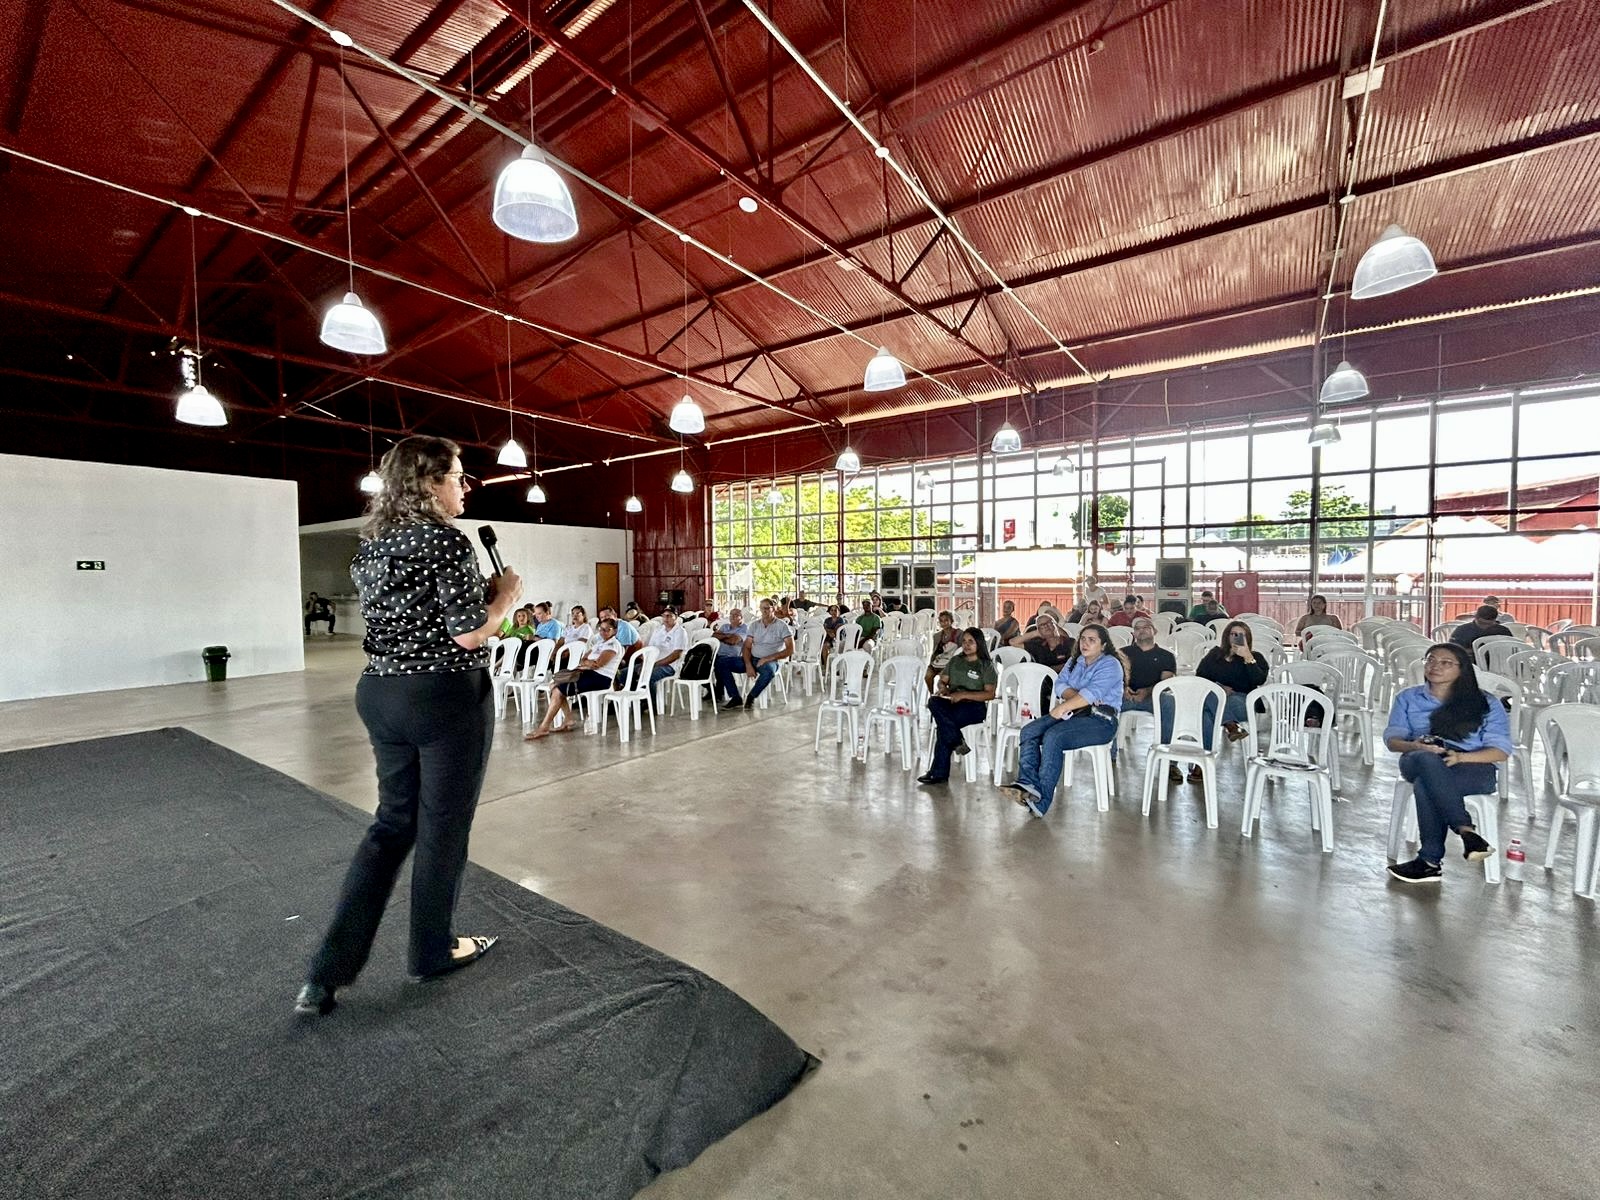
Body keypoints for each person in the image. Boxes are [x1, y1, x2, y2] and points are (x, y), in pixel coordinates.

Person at [295, 437, 521, 1018]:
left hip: (381, 692)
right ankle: (432, 950)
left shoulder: (371, 546)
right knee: (443, 828)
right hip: (444, 696)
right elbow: (468, 633)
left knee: (392, 826)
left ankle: (326, 974)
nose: (464, 487)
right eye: (458, 476)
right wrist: (505, 600)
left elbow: (410, 618)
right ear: (429, 482)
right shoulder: (446, 540)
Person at [1383, 642, 1511, 883]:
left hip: (1472, 764)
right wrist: (1415, 746)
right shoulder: (1408, 698)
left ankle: (1429, 863)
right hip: (1417, 757)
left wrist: (1461, 757)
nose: (1435, 666)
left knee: (1425, 784)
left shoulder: (1485, 703)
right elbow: (1393, 740)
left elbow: (1500, 751)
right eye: (1430, 660)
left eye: (1445, 663)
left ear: (1462, 669)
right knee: (1427, 761)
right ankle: (1465, 829)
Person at [1006, 624, 1125, 819]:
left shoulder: (1110, 664)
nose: (1085, 643)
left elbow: (1092, 694)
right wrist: (1079, 698)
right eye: (1083, 639)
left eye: (1092, 640)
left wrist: (1069, 704)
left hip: (1101, 721)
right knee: (1029, 731)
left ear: (1103, 645)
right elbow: (1060, 685)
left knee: (1054, 736)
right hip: (1074, 713)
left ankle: (1041, 801)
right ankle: (1028, 784)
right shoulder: (1075, 661)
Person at [919, 628, 998, 786]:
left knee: (944, 726)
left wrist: (963, 695)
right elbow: (942, 680)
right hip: (952, 701)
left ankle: (939, 773)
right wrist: (943, 688)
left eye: (971, 642)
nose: (966, 645)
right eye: (964, 641)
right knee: (934, 701)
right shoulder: (956, 660)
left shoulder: (986, 665)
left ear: (979, 644)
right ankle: (956, 740)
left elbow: (990, 694)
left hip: (974, 707)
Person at [527, 616, 624, 738]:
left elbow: (598, 664)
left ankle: (544, 727)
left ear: (614, 631)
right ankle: (568, 719)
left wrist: (589, 663)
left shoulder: (613, 645)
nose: (603, 632)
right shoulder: (600, 643)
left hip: (601, 678)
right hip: (588, 673)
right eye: (601, 629)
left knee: (558, 690)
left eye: (607, 630)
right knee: (554, 685)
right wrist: (588, 662)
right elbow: (583, 659)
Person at [1120, 616, 1182, 780]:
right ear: (1133, 634)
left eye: (1146, 627)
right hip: (1125, 696)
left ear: (1154, 631)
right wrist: (1123, 688)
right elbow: (1114, 676)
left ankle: (1169, 761)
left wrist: (1147, 692)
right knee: (1106, 702)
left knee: (1169, 703)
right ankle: (1108, 754)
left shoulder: (1166, 655)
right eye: (1137, 628)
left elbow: (1166, 682)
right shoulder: (1123, 653)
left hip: (1153, 697)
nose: (1141, 630)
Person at [1195, 620, 1270, 743]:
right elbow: (1200, 678)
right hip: (1216, 697)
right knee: (1207, 708)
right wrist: (1220, 688)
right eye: (1233, 634)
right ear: (1227, 636)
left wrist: (1247, 657)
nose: (1236, 638)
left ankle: (1206, 750)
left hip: (1243, 700)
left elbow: (1259, 680)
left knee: (1209, 709)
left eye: (1241, 635)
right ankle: (1231, 725)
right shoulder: (1215, 654)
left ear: (1247, 638)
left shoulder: (1255, 657)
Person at [721, 598, 793, 709]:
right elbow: (747, 647)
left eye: (767, 608)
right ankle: (735, 698)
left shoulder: (782, 626)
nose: (764, 611)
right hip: (753, 658)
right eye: (762, 608)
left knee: (769, 671)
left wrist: (767, 658)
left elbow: (790, 650)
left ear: (773, 609)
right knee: (722, 663)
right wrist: (748, 664)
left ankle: (751, 697)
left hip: (771, 660)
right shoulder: (755, 625)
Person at [711, 606, 751, 704]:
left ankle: (727, 694)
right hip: (717, 654)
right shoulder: (725, 626)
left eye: (736, 615)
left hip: (734, 657)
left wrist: (722, 638)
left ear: (741, 617)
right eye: (731, 615)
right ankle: (712, 689)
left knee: (720, 663)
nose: (732, 617)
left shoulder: (744, 628)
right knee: (702, 664)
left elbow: (733, 641)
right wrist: (728, 635)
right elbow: (714, 636)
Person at [646, 608, 688, 689]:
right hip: (653, 663)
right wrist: (646, 663)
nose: (666, 618)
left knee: (648, 676)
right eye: (664, 616)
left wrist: (655, 664)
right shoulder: (658, 630)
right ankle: (637, 696)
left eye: (669, 616)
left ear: (676, 617)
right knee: (626, 673)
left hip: (670, 666)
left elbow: (676, 655)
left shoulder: (680, 632)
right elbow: (650, 649)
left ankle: (651, 697)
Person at [924, 610, 962, 691]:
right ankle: (932, 694)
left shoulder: (959, 634)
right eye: (941, 621)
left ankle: (944, 694)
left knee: (942, 679)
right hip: (938, 662)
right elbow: (935, 652)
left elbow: (961, 650)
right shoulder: (937, 636)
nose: (944, 623)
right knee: (928, 676)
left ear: (951, 621)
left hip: (951, 663)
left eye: (946, 620)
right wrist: (932, 663)